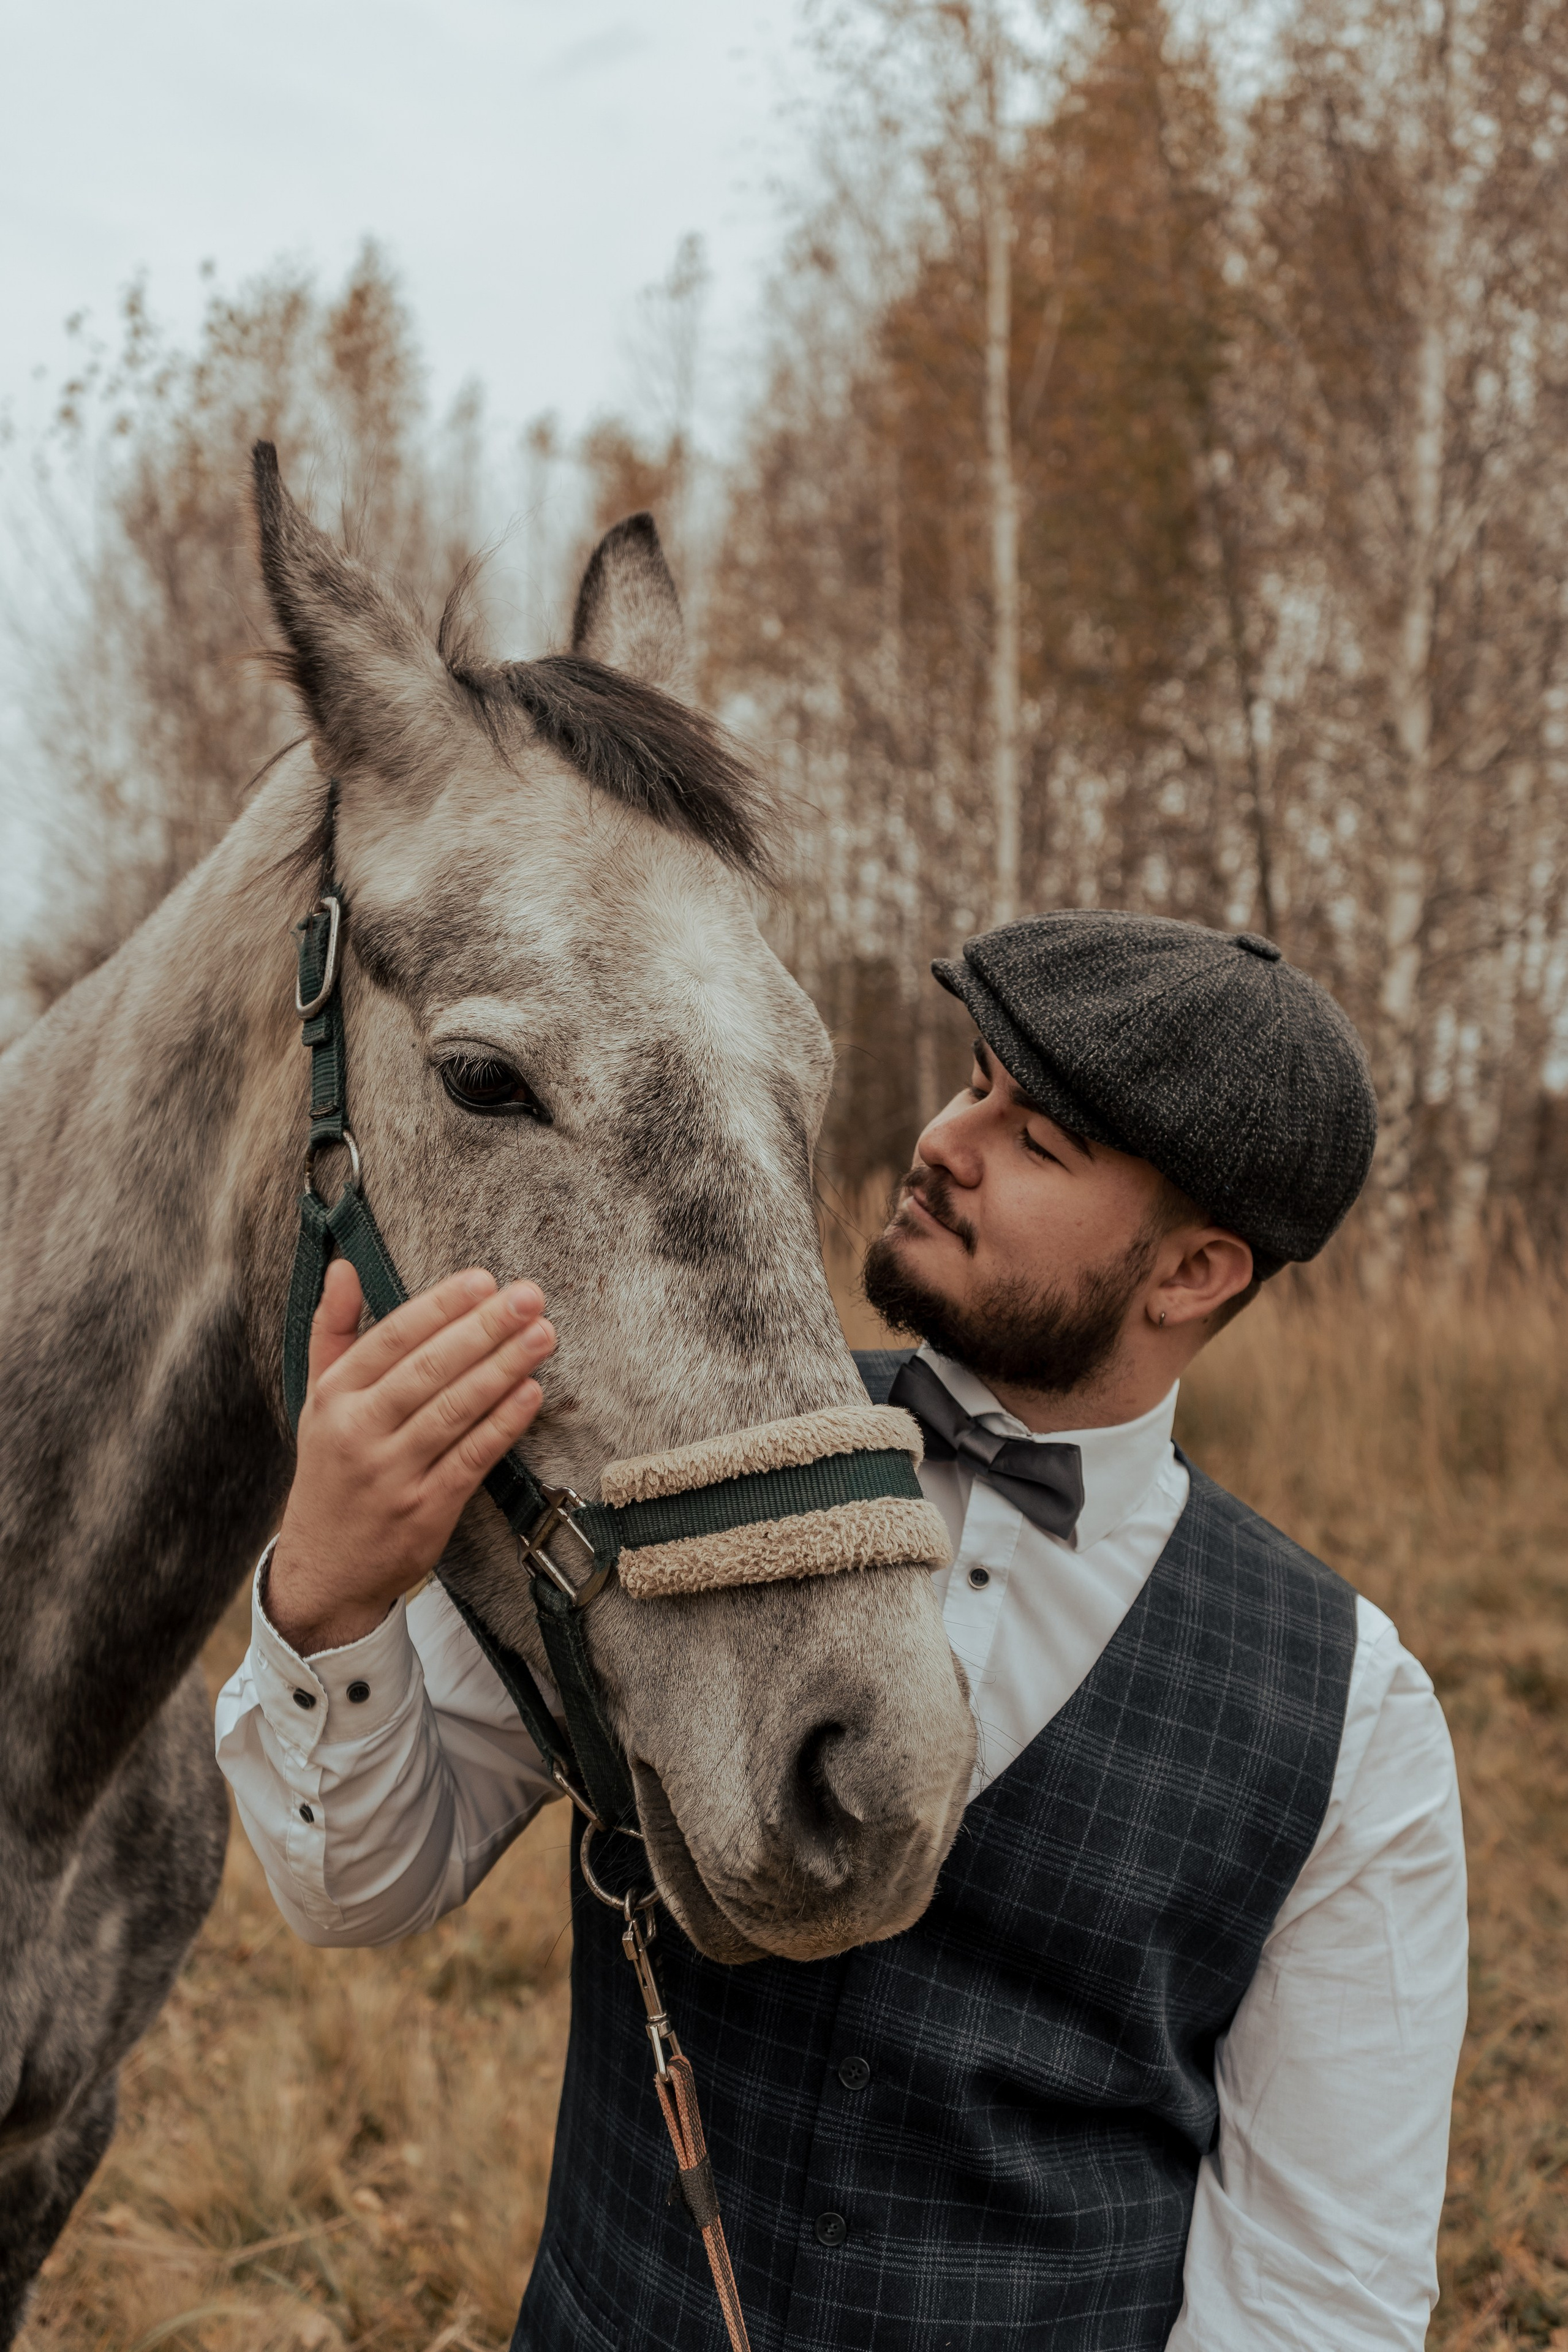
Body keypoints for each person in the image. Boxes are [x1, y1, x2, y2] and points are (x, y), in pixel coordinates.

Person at [217, 910, 1467, 2351]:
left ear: (1190, 1276)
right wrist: (328, 1595)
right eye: (976, 1078)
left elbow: (1320, 2290)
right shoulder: (657, 1455)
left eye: (1036, 1139)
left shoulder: (1353, 1716)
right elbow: (355, 1887)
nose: (945, 1138)